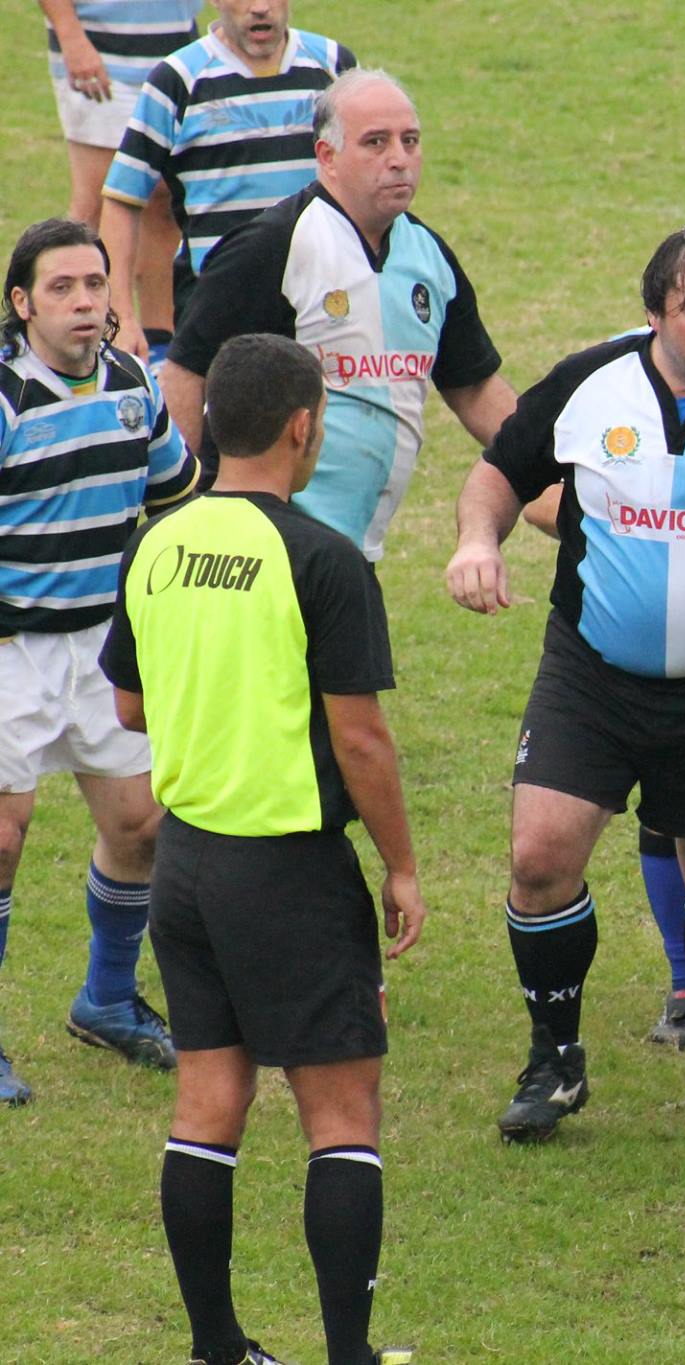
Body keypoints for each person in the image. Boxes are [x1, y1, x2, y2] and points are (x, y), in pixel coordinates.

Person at [445, 227, 685, 1140]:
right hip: (591, 675)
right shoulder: (592, 383)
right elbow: (500, 471)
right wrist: (478, 540)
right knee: (541, 856)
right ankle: (555, 1059)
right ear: (657, 311)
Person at [101, 332, 423, 1365]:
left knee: (210, 1099)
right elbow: (361, 738)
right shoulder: (319, 559)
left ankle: (216, 1348)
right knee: (341, 1112)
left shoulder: (157, 544)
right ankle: (348, 1355)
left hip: (185, 869)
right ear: (303, 425)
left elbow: (129, 698)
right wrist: (402, 865)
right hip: (286, 871)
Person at [0, 218, 199, 1103]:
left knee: (142, 826)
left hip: (105, 646)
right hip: (11, 648)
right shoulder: (6, 398)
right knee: (3, 836)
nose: (85, 303)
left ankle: (107, 999)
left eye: (95, 285)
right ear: (20, 304)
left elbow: (177, 497)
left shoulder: (131, 385)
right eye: (61, 289)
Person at [159, 69, 514, 561]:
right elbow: (186, 370)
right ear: (327, 157)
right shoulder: (271, 247)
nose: (399, 160)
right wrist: (179, 511)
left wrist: (549, 458)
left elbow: (474, 387)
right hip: (262, 547)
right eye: (376, 143)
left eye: (410, 141)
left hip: (353, 553)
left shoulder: (428, 256)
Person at [100, 0, 354, 359]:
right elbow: (122, 199)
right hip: (218, 311)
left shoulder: (333, 66)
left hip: (325, 307)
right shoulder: (178, 80)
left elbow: (367, 182)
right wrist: (122, 316)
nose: (261, 8)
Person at [39, 1, 198, 368]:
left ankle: (159, 342)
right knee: (99, 199)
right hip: (99, 49)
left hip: (176, 45)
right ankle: (72, 339)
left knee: (164, 199)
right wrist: (70, 36)